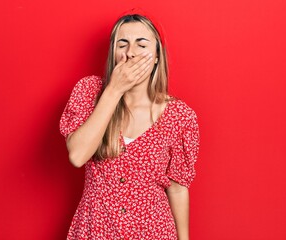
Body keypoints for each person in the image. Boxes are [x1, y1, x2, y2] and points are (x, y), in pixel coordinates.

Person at [60, 13, 199, 240]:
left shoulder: (179, 115)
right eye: (122, 44)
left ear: (156, 56)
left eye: (141, 44)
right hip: (96, 229)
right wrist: (114, 90)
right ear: (113, 54)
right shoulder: (88, 92)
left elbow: (177, 188)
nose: (130, 52)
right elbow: (77, 155)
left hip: (153, 232)